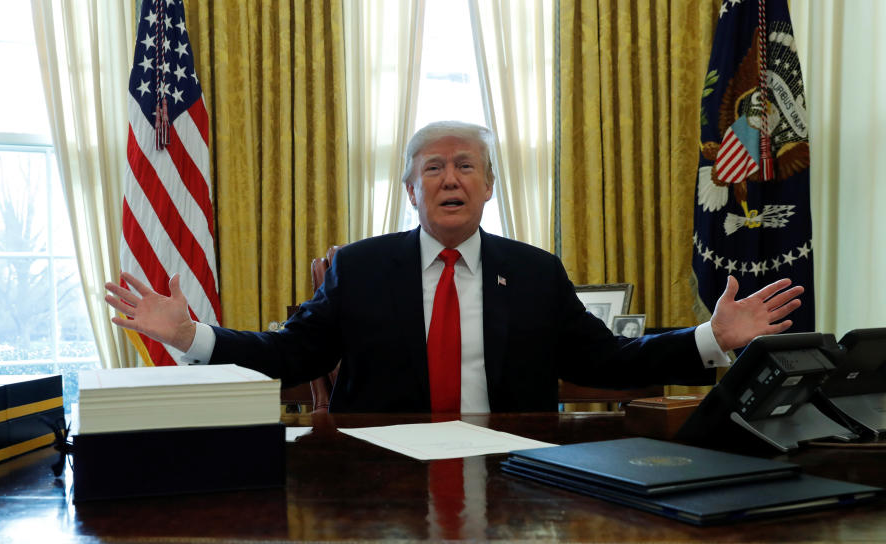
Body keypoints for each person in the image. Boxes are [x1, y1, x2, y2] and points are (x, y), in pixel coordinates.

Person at [105, 121, 803, 414]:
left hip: (515, 469)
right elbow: (291, 355)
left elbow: (608, 361)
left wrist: (712, 339)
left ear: (489, 186)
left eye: (465, 166)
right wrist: (194, 335)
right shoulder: (360, 268)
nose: (449, 178)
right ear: (411, 190)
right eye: (432, 168)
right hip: (380, 475)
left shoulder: (533, 271)